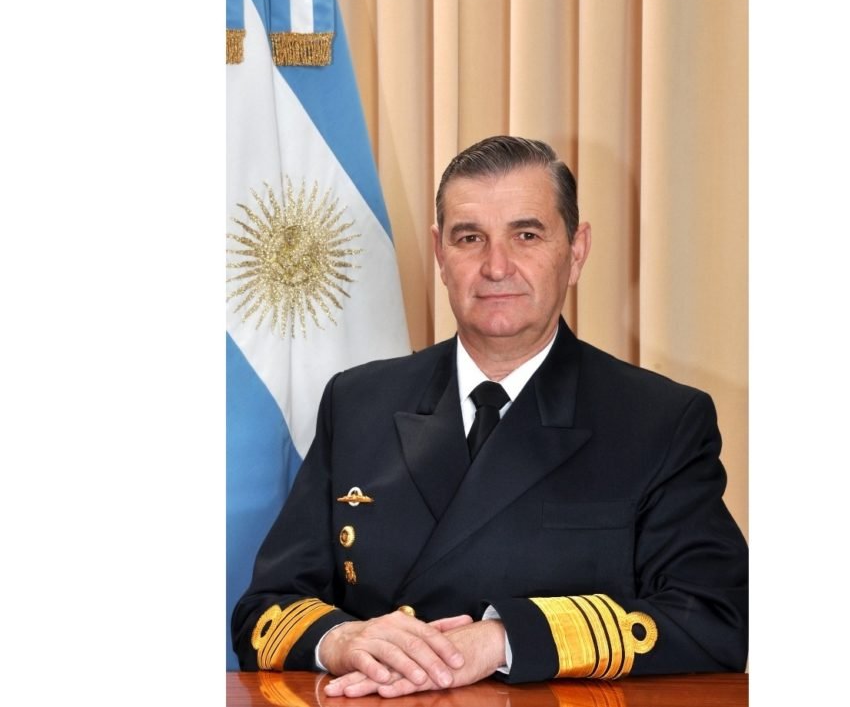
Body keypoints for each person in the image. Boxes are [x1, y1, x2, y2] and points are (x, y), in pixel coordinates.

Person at [232, 135, 748, 698]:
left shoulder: (659, 420)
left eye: (526, 235)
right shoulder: (358, 402)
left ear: (576, 251)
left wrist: (504, 640)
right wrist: (340, 638)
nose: (496, 267)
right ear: (440, 254)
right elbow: (266, 608)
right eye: (469, 238)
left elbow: (714, 616)